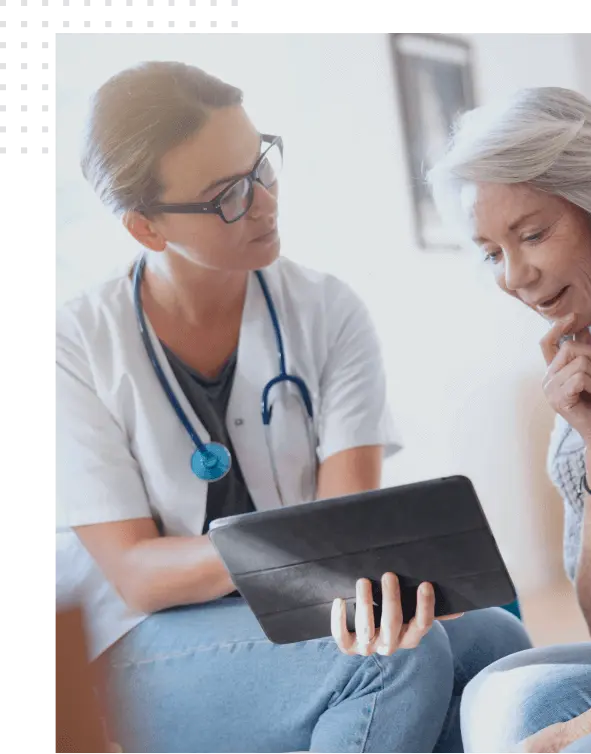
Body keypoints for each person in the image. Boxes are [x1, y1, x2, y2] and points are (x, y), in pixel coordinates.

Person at [51, 61, 531, 753]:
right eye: (228, 195)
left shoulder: (328, 311)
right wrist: (284, 554)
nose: (266, 201)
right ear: (147, 228)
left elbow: (347, 539)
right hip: (135, 644)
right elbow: (137, 573)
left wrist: (316, 562)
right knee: (394, 660)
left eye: (262, 165)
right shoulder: (75, 343)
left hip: (293, 610)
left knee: (495, 639)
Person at [428, 86, 591, 753]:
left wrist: (589, 726)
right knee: (503, 691)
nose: (514, 276)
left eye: (533, 234)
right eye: (492, 252)